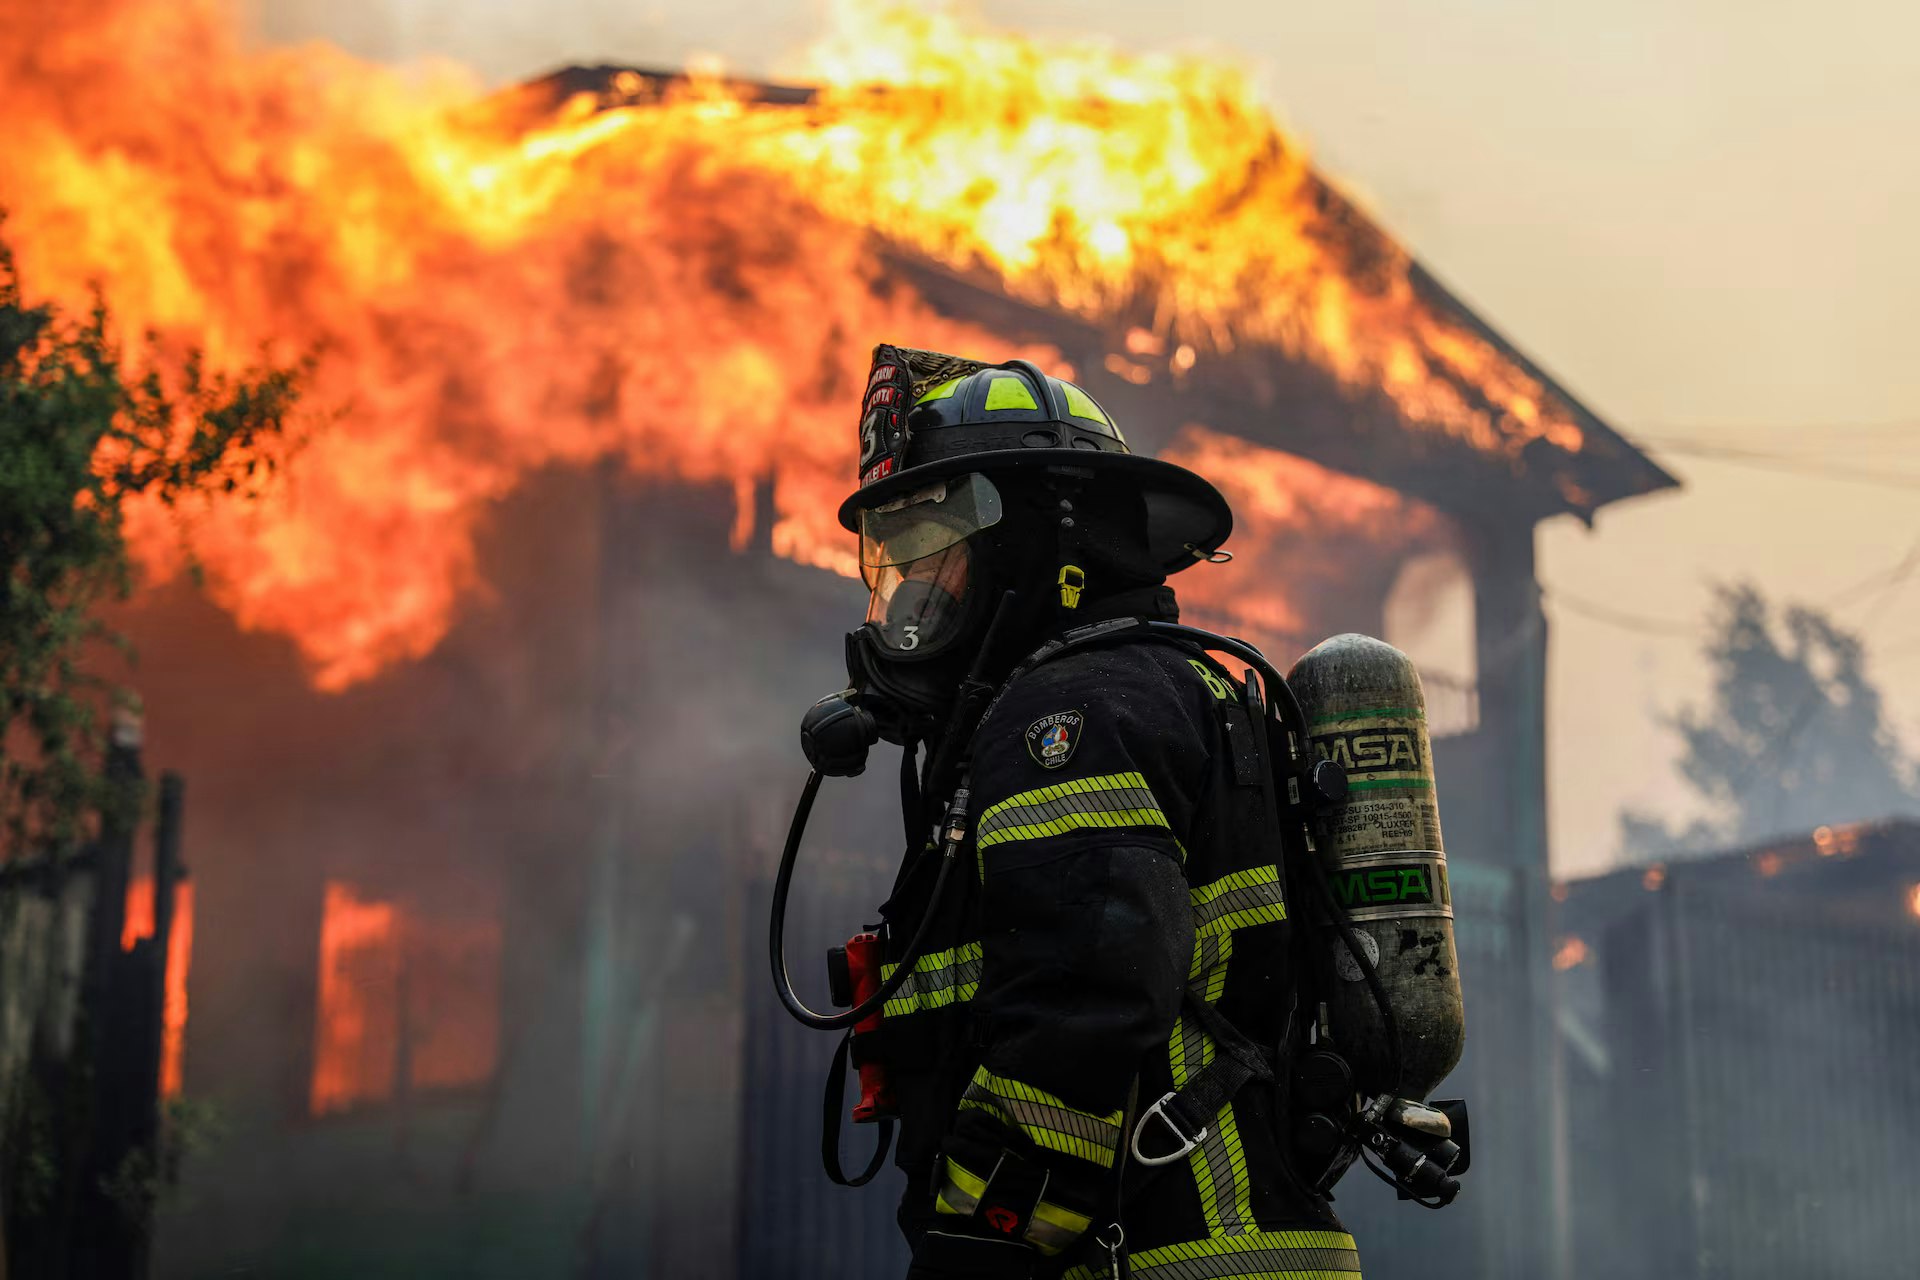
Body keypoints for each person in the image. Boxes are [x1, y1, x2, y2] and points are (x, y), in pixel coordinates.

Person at [832, 345, 1363, 1280]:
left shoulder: (1072, 713)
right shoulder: (1168, 690)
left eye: (936, 552)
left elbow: (1081, 1006)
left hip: (1149, 1261)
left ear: (1032, 540)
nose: (911, 597)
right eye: (897, 560)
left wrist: (983, 1245)